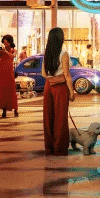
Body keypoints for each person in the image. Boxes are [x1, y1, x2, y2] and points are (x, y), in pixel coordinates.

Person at [41, 27, 75, 155]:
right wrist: (71, 91)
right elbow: (67, 75)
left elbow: (43, 74)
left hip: (48, 86)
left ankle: (49, 147)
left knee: (48, 117)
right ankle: (59, 148)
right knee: (60, 117)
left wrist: (52, 78)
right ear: (60, 39)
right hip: (60, 87)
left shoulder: (47, 54)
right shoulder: (63, 54)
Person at [0, 34, 19, 119]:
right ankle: (4, 110)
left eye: (6, 43)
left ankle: (15, 109)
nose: (5, 45)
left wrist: (5, 51)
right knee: (3, 90)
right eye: (4, 43)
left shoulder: (14, 50)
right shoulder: (1, 50)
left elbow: (12, 56)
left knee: (11, 89)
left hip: (9, 71)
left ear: (10, 42)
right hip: (2, 71)